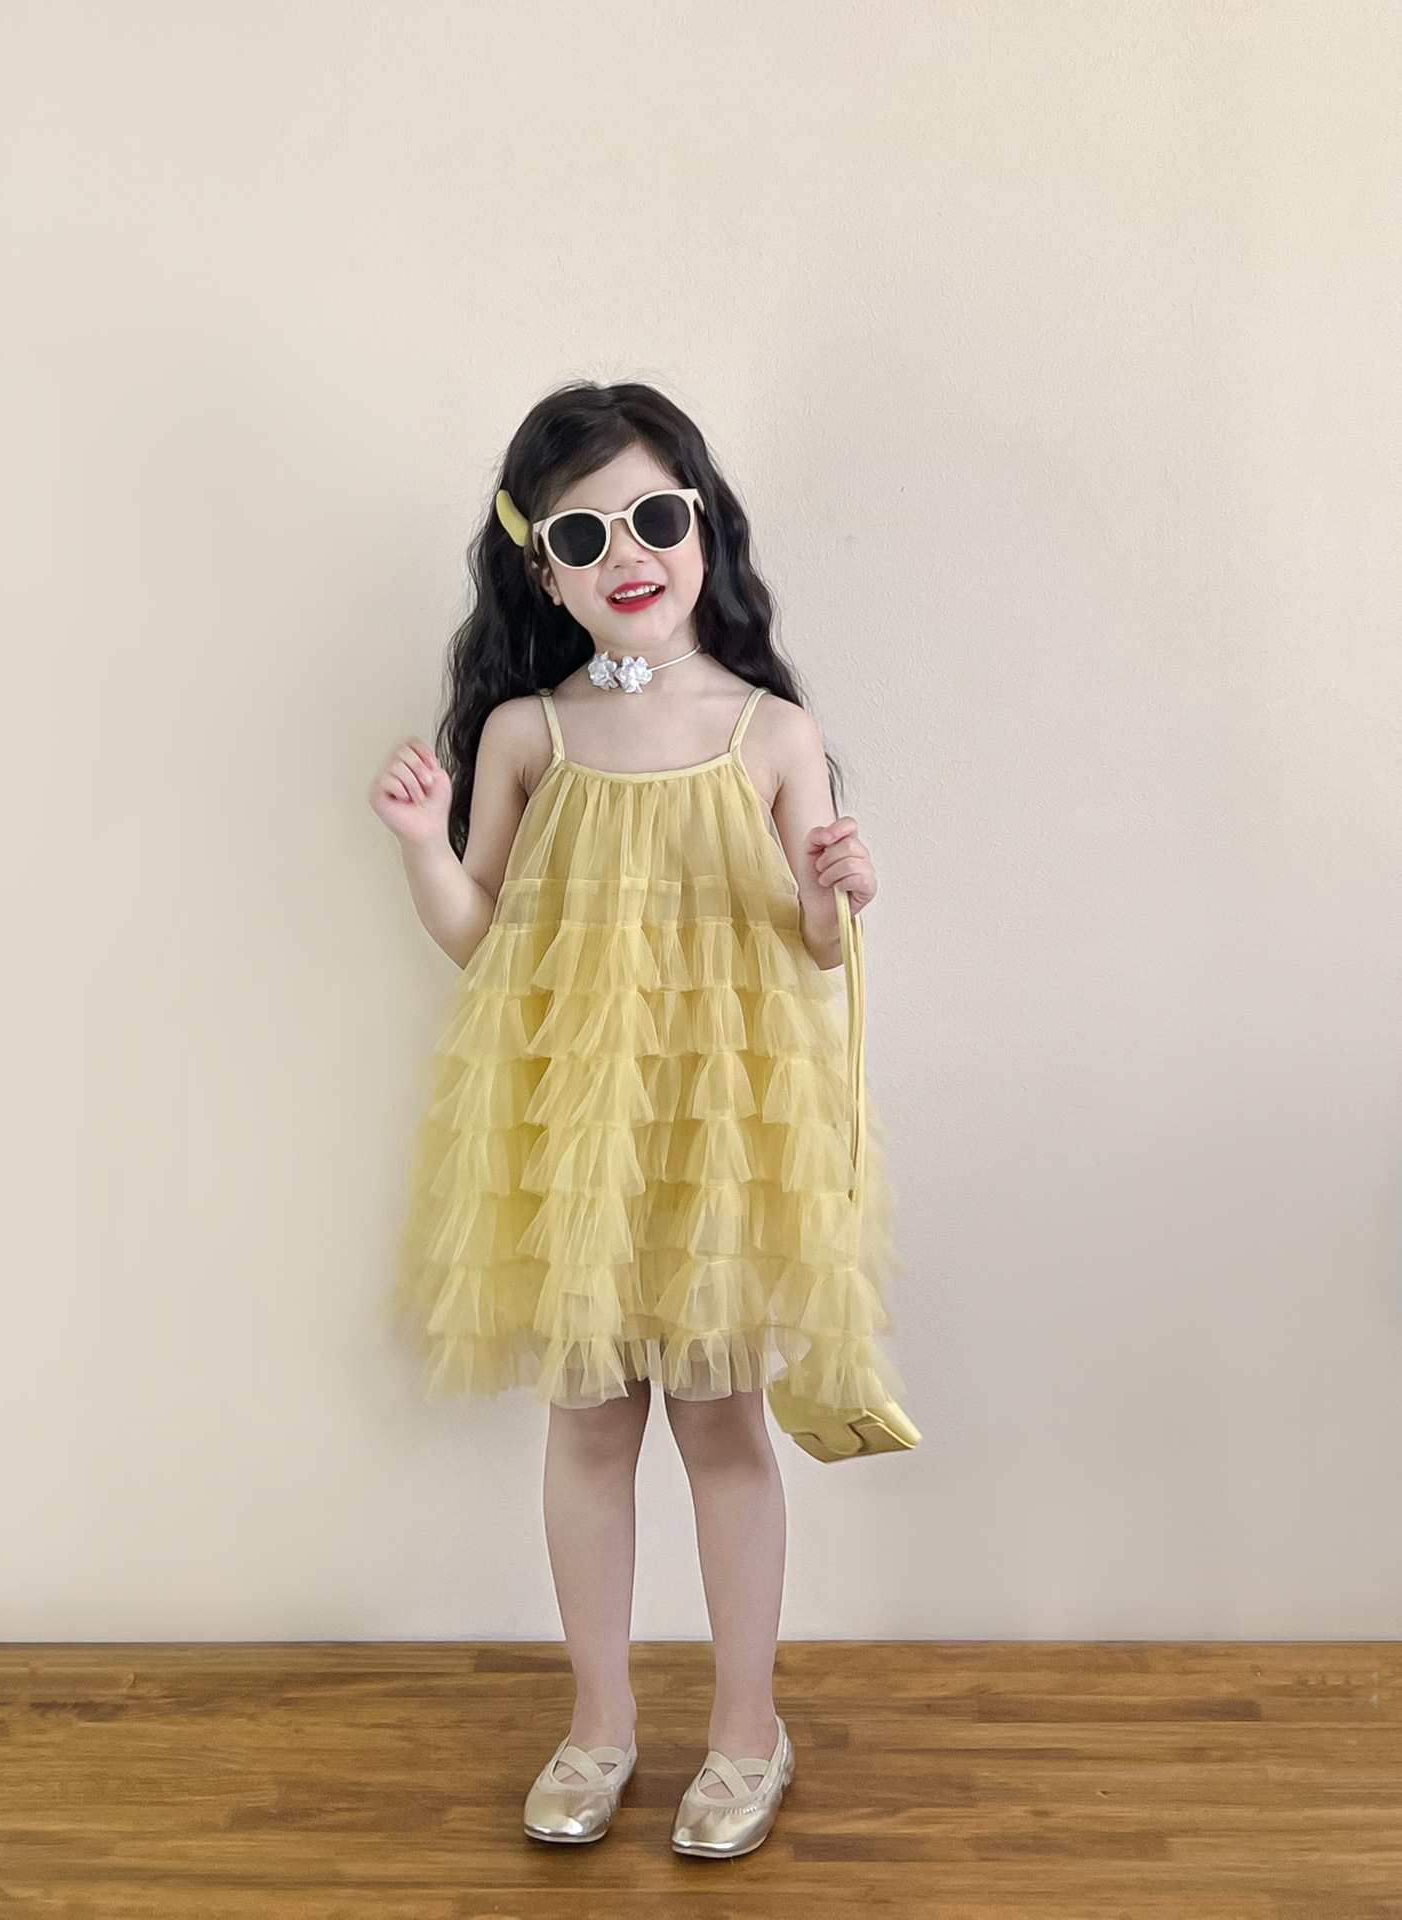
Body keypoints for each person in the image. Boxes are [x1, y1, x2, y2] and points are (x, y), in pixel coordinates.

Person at [368, 379, 905, 1859]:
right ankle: (598, 1723)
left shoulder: (770, 731)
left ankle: (747, 1731)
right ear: (538, 569)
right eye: (581, 533)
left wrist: (838, 893)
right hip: (577, 1129)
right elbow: (485, 938)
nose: (628, 553)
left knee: (723, 1424)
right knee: (590, 1424)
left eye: (655, 515)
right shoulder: (529, 734)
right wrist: (421, 847)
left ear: (703, 526)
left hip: (723, 1123)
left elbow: (809, 944)